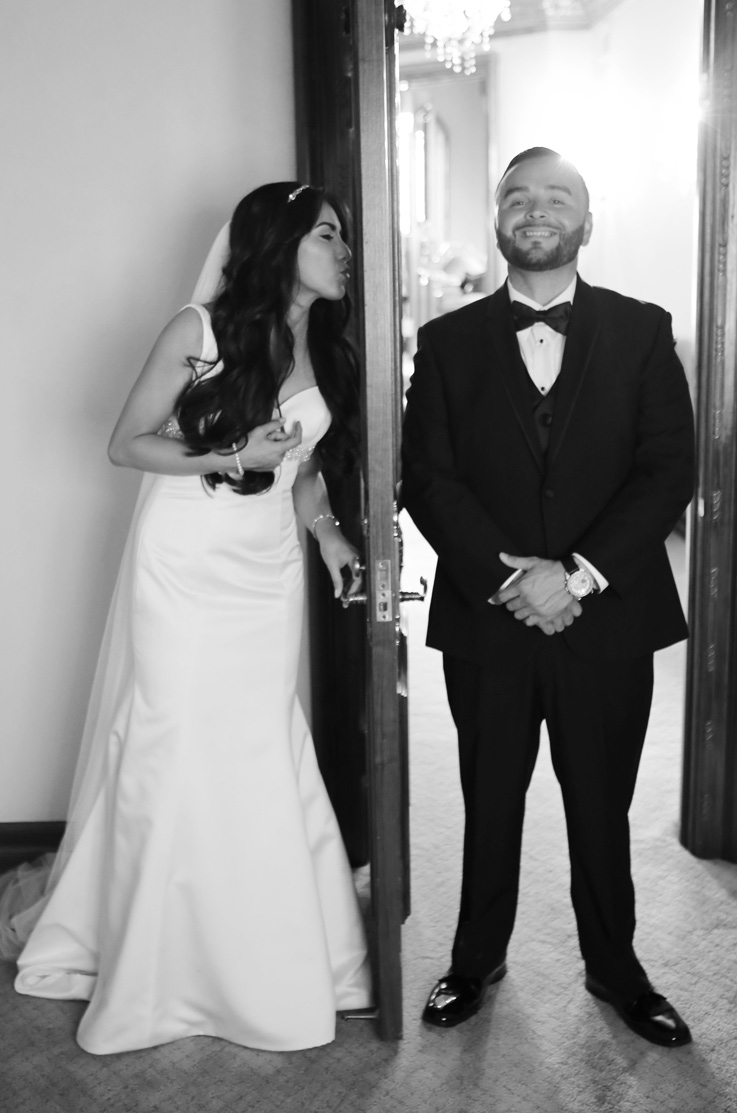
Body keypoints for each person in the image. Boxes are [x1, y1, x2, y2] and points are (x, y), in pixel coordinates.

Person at [6, 181, 372, 1054]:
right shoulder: (197, 331)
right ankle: (151, 964)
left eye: (343, 237)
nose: (343, 249)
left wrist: (325, 537)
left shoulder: (328, 346)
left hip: (267, 567)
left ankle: (267, 945)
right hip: (184, 559)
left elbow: (307, 468)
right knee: (171, 736)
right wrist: (230, 451)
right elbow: (125, 442)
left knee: (257, 739)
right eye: (327, 234)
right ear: (279, 243)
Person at [401, 148, 695, 1047]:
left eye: (554, 197)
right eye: (517, 197)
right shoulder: (445, 342)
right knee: (487, 796)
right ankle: (473, 957)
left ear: (584, 221)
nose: (535, 210)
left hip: (605, 616)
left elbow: (665, 470)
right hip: (491, 620)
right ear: (498, 220)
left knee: (600, 802)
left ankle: (617, 968)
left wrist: (571, 576)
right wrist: (510, 577)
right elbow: (427, 477)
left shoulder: (644, 330)